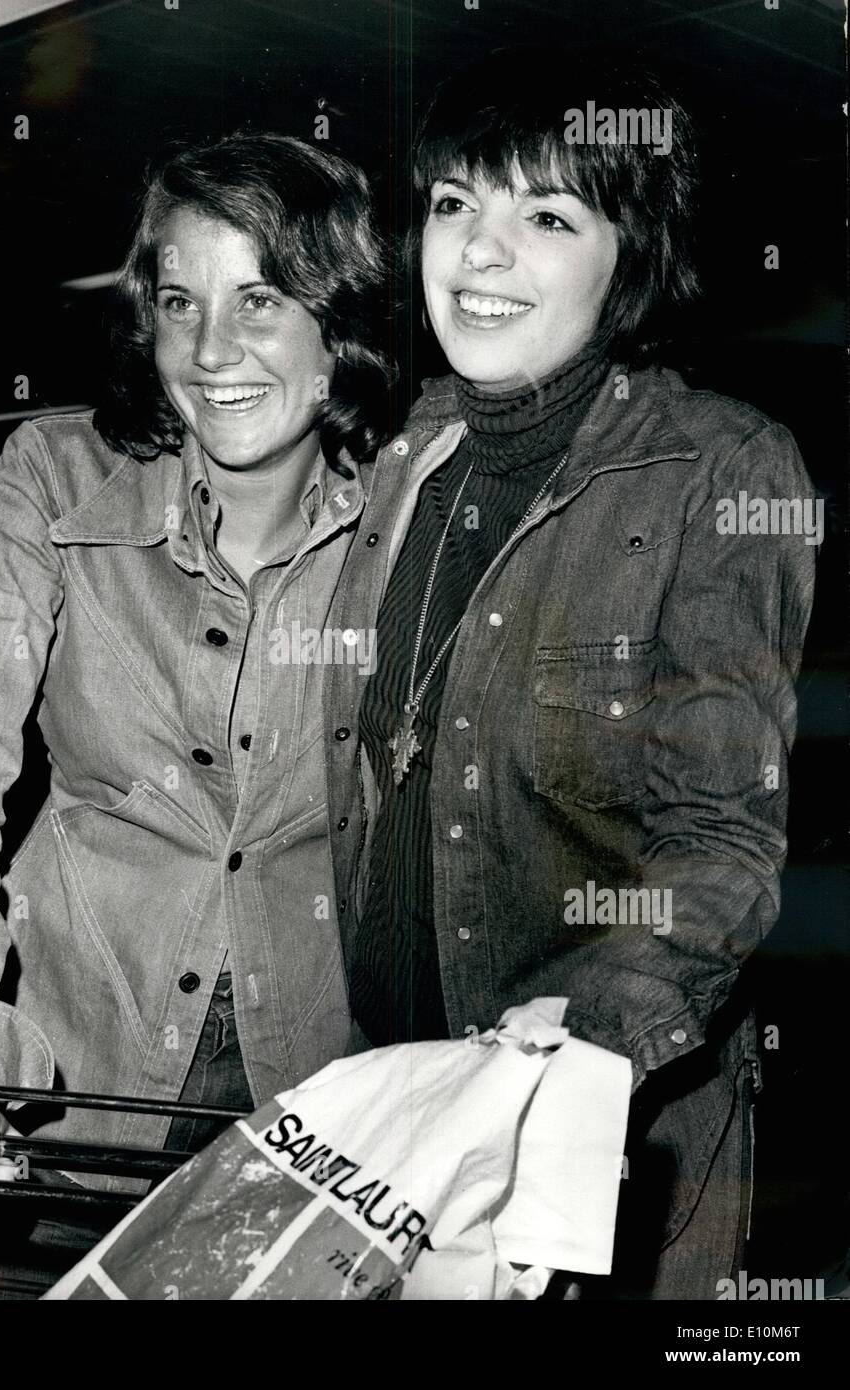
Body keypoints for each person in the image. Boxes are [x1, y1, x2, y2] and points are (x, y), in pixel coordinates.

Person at [320, 47, 817, 1299]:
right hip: (393, 1113)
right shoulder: (405, 449)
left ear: (629, 256)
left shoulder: (723, 468)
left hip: (600, 1140)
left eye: (545, 215)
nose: (478, 256)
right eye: (453, 207)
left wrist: (587, 1028)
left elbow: (720, 844)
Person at [0, 132, 391, 1191]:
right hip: (77, 1090)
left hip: (324, 1113)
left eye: (260, 299)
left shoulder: (409, 512)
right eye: (181, 302)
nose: (211, 350)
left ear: (338, 321)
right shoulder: (51, 475)